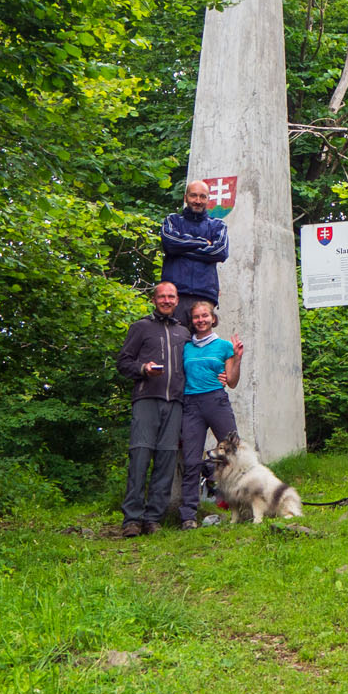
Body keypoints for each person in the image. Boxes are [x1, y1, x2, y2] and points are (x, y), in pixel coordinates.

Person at [114, 282, 190, 537]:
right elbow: (123, 362)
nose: (167, 300)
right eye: (162, 296)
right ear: (154, 300)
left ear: (177, 300)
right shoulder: (141, 327)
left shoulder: (184, 333)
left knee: (167, 460)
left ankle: (153, 519)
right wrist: (142, 368)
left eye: (171, 296)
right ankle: (132, 520)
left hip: (175, 403)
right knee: (140, 457)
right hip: (147, 399)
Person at [176, 299, 245, 529]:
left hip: (216, 401)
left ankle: (240, 506)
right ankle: (188, 515)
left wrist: (237, 358)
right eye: (197, 317)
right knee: (191, 460)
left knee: (233, 454)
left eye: (205, 316)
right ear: (192, 321)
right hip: (191, 405)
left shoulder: (224, 346)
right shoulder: (186, 347)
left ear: (213, 318)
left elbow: (232, 382)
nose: (201, 320)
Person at [160, 180, 229, 326]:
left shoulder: (217, 225)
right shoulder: (172, 221)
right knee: (174, 344)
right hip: (175, 296)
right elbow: (170, 244)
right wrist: (204, 243)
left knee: (202, 346)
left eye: (203, 197)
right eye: (193, 196)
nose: (198, 201)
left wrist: (182, 250)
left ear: (208, 199)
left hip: (205, 296)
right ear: (185, 198)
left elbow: (220, 251)